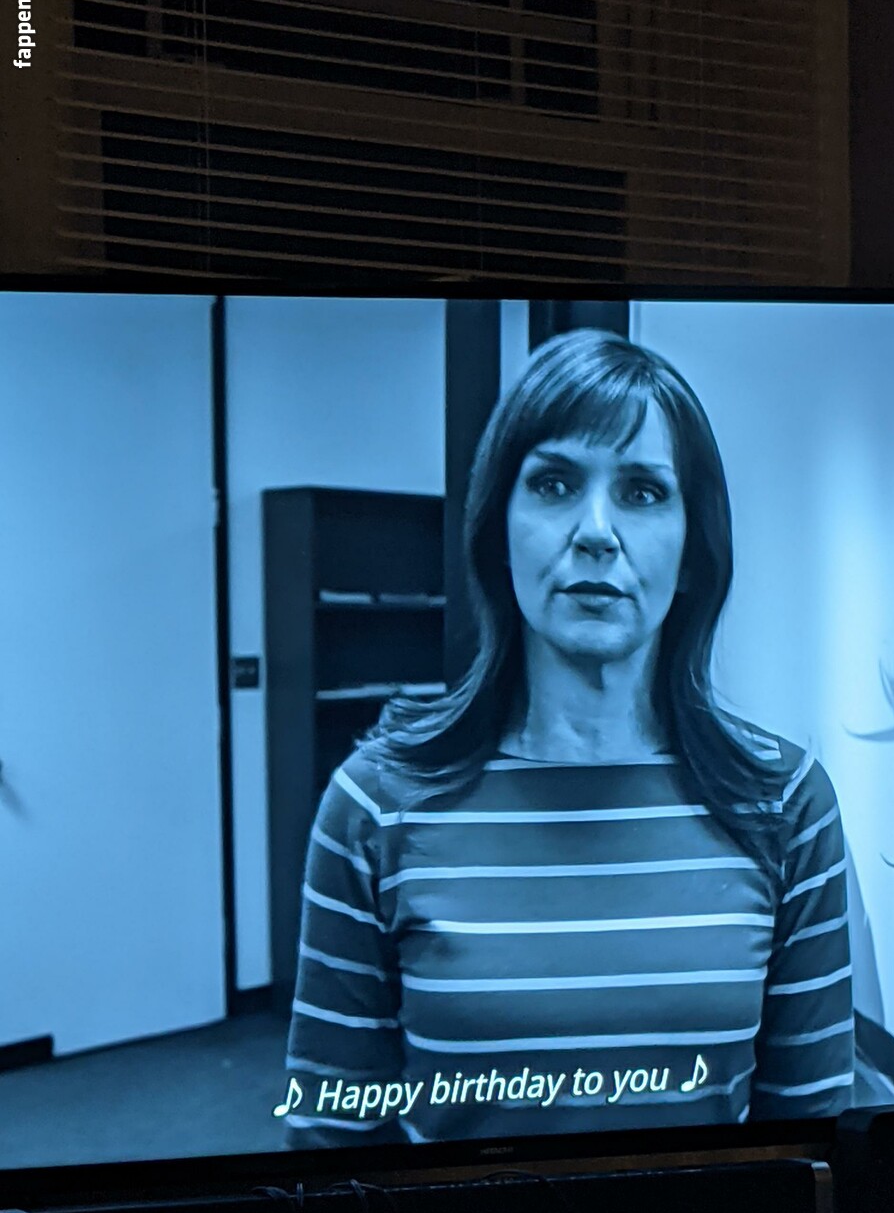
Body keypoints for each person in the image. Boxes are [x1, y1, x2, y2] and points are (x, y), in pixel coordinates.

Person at [283, 327, 854, 1146]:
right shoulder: (374, 807)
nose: (595, 531)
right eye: (554, 484)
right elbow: (331, 1141)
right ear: (498, 532)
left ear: (693, 552)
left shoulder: (784, 805)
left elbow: (811, 1145)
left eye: (642, 492)